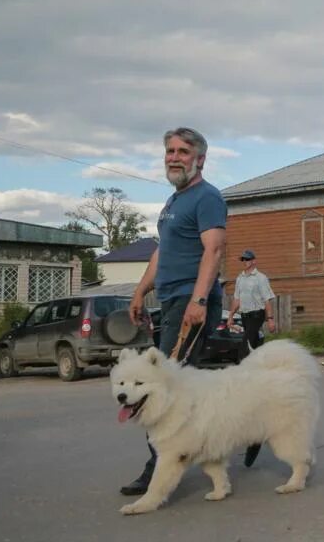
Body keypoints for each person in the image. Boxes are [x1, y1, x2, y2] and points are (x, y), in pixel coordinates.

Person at [121, 127, 227, 496]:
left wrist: (198, 301)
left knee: (162, 389)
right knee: (176, 386)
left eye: (183, 151)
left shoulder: (207, 197)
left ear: (200, 159)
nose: (174, 157)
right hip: (169, 300)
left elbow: (213, 251)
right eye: (170, 150)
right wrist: (139, 291)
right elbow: (162, 251)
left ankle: (159, 471)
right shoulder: (172, 202)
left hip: (189, 301)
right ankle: (203, 449)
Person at [226, 249, 276, 354]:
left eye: (247, 259)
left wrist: (270, 319)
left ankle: (243, 363)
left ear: (254, 261)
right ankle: (261, 361)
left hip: (257, 315)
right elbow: (236, 299)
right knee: (255, 342)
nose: (244, 261)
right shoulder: (240, 278)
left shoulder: (261, 278)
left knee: (246, 344)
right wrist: (230, 316)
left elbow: (266, 300)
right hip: (244, 316)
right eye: (243, 259)